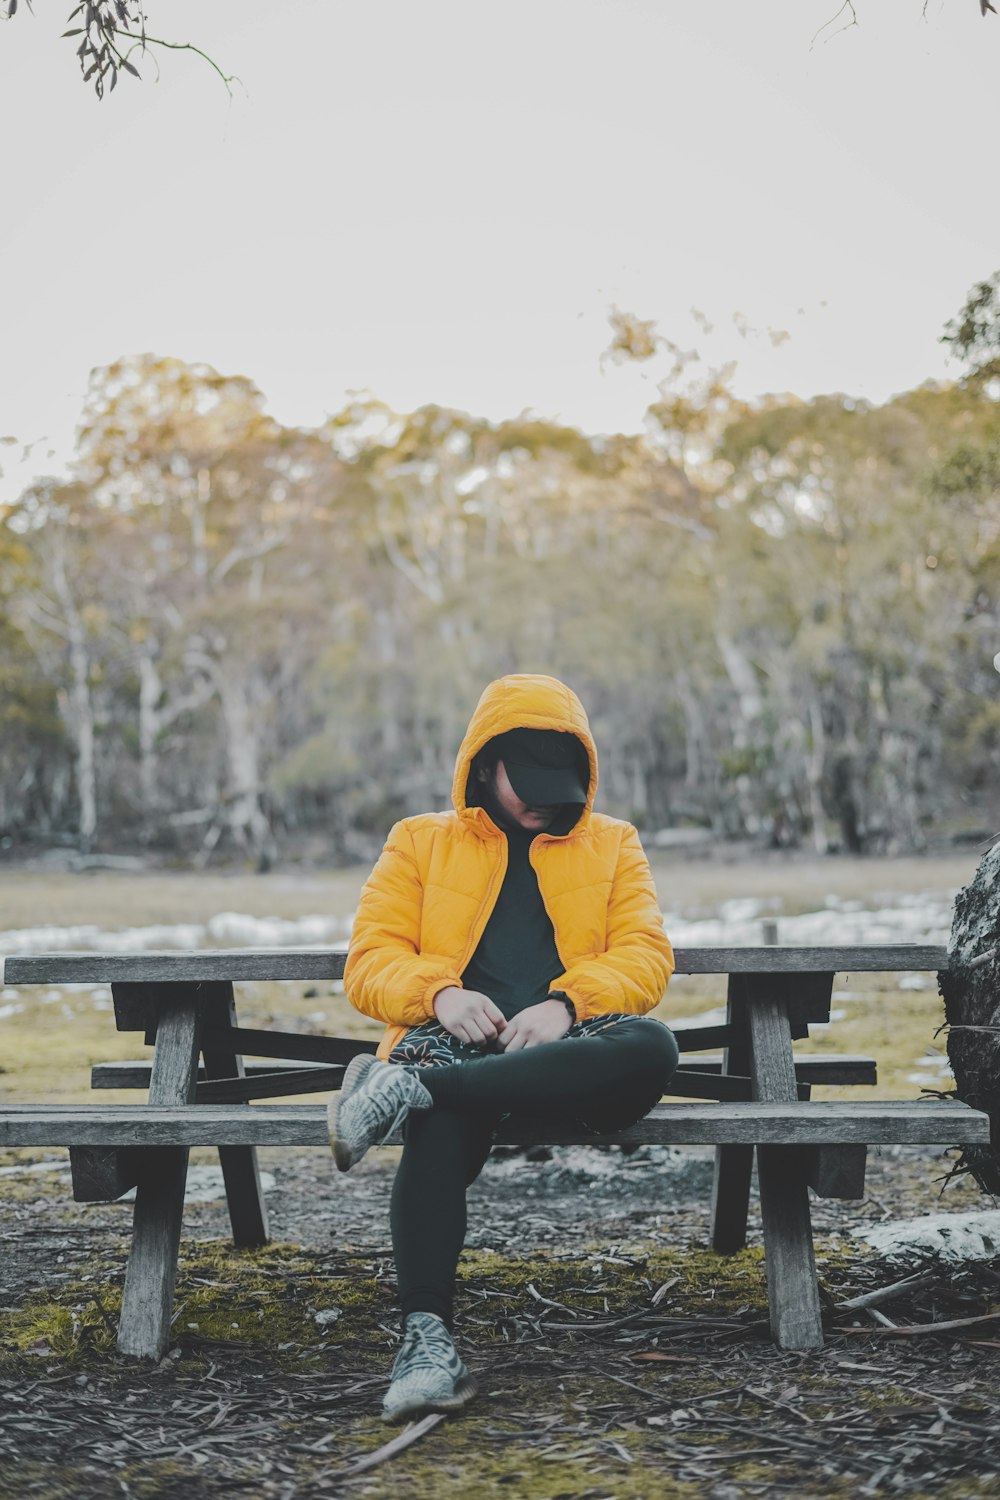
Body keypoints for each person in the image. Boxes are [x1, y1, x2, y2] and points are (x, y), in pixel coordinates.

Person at [330, 673, 678, 1423]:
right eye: (530, 784)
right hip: (457, 1046)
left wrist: (565, 1005)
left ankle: (407, 1089)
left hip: (571, 1049)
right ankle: (426, 1345)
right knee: (441, 1117)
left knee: (653, 1045)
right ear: (485, 764)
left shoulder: (613, 842)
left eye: (562, 786)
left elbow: (645, 956)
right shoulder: (419, 841)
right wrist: (440, 996)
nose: (547, 802)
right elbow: (369, 960)